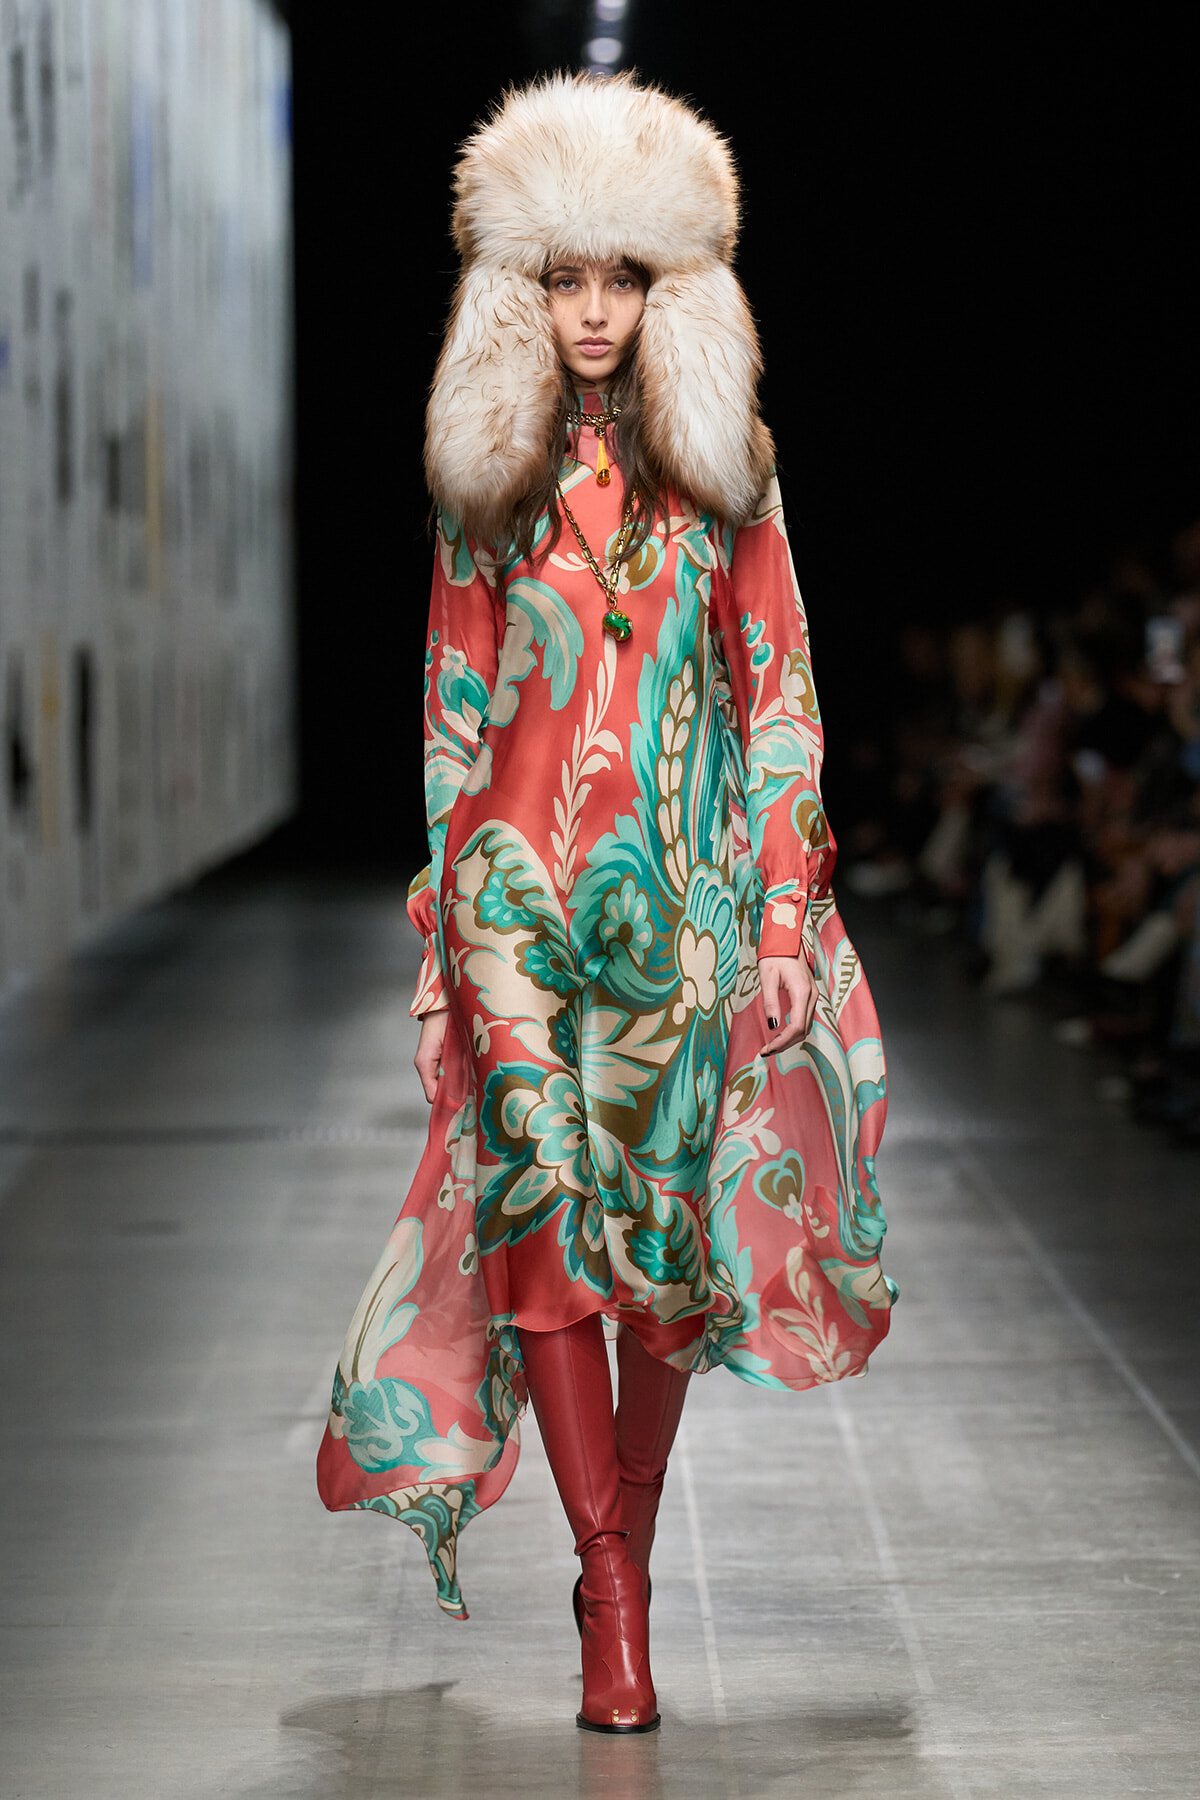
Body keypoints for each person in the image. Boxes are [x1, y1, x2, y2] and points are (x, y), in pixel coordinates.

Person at [317, 72, 895, 1736]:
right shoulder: (480, 472)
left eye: (620, 278)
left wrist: (785, 919)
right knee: (544, 1237)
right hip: (513, 903)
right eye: (562, 277)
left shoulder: (728, 469)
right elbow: (450, 708)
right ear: (520, 285)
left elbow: (779, 694)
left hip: (687, 909)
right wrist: (440, 950)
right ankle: (611, 1592)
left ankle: (613, 1538)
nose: (589, 312)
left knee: (661, 1258)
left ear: (671, 287)